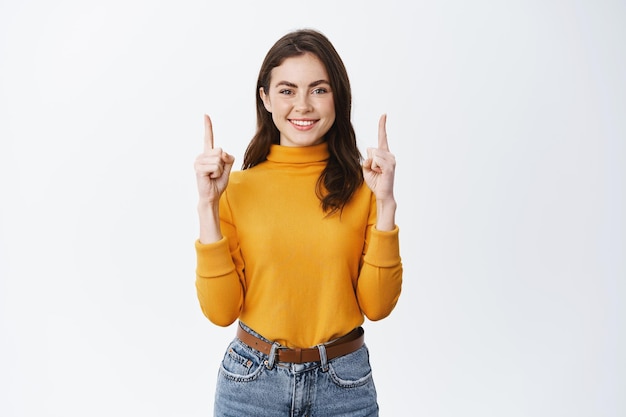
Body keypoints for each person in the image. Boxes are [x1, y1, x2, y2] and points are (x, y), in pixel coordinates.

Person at [193, 28, 402, 417]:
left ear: (337, 96)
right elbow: (221, 312)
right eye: (287, 90)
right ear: (266, 99)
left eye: (319, 90)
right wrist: (208, 206)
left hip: (344, 386)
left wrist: (386, 203)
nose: (302, 105)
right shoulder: (235, 189)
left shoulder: (365, 187)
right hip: (251, 385)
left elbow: (377, 306)